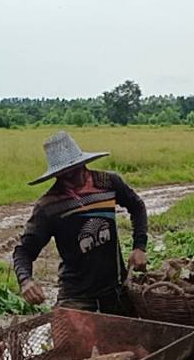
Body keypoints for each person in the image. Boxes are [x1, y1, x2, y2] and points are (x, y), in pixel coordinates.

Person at [12, 130, 148, 314]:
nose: (68, 179)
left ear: (83, 165)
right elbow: (24, 250)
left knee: (130, 339)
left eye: (72, 172)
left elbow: (137, 206)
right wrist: (25, 280)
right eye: (62, 175)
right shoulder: (49, 206)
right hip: (76, 296)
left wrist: (139, 246)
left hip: (115, 288)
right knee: (72, 341)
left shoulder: (108, 183)